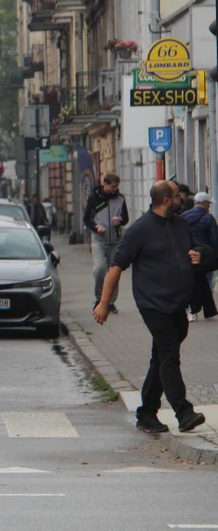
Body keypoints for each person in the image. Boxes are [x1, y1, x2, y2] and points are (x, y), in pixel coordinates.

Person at [94, 181, 208, 435]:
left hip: (179, 303)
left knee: (160, 359)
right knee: (169, 355)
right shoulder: (139, 230)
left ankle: (146, 412)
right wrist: (103, 304)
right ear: (166, 200)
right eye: (178, 197)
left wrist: (200, 254)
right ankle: (184, 412)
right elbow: (115, 268)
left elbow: (197, 250)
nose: (183, 200)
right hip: (152, 304)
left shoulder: (181, 225)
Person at [84, 173, 129, 313]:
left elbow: (125, 218)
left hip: (115, 241)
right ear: (105, 184)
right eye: (113, 186)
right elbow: (87, 219)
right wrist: (96, 227)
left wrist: (120, 221)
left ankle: (110, 302)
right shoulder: (94, 199)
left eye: (117, 187)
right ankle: (99, 298)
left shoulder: (120, 199)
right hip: (99, 240)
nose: (115, 189)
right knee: (99, 269)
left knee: (114, 272)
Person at [182, 192, 218, 322]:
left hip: (188, 255)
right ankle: (205, 309)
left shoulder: (184, 217)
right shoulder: (209, 218)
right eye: (208, 204)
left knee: (189, 283)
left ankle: (190, 310)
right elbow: (215, 239)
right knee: (206, 282)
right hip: (205, 257)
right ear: (203, 203)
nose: (209, 206)